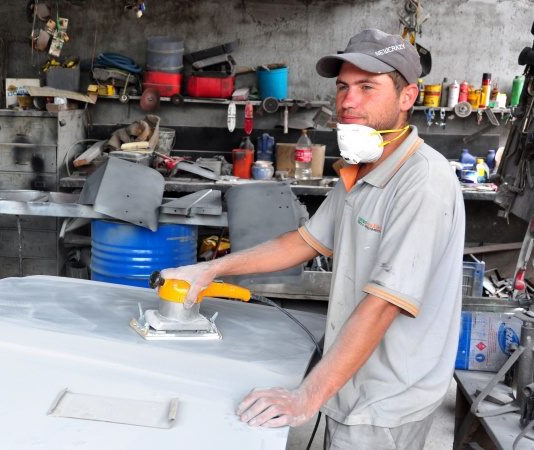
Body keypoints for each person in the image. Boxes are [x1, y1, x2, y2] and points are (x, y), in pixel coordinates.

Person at [160, 29, 465, 449]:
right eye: (343, 87)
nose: (348, 101)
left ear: (407, 96)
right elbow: (302, 242)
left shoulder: (423, 182)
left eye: (366, 87)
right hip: (347, 378)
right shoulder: (362, 167)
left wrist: (308, 395)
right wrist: (210, 269)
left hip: (384, 397)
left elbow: (382, 305)